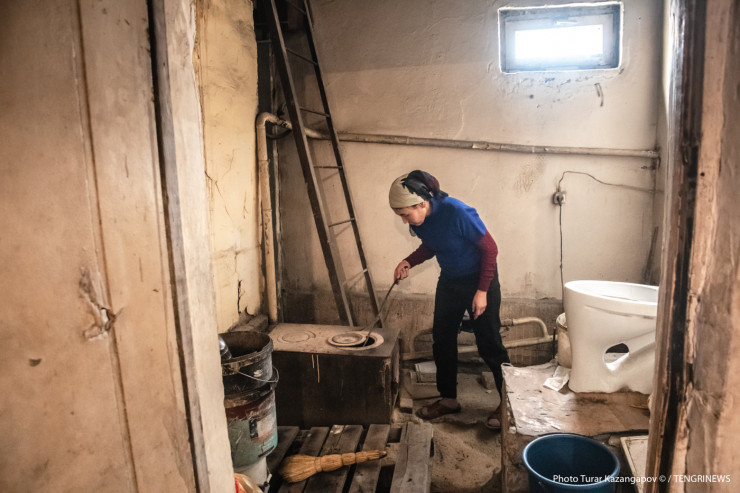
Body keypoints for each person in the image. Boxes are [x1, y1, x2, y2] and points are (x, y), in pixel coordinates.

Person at [389, 170, 510, 430]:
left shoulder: (457, 212)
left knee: (490, 344)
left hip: (480, 280)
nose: (404, 221)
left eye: (405, 214)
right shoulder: (421, 221)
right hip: (451, 281)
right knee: (442, 339)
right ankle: (448, 399)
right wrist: (408, 261)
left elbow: (490, 249)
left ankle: (508, 404)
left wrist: (482, 292)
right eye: (400, 216)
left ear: (422, 203)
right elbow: (433, 245)